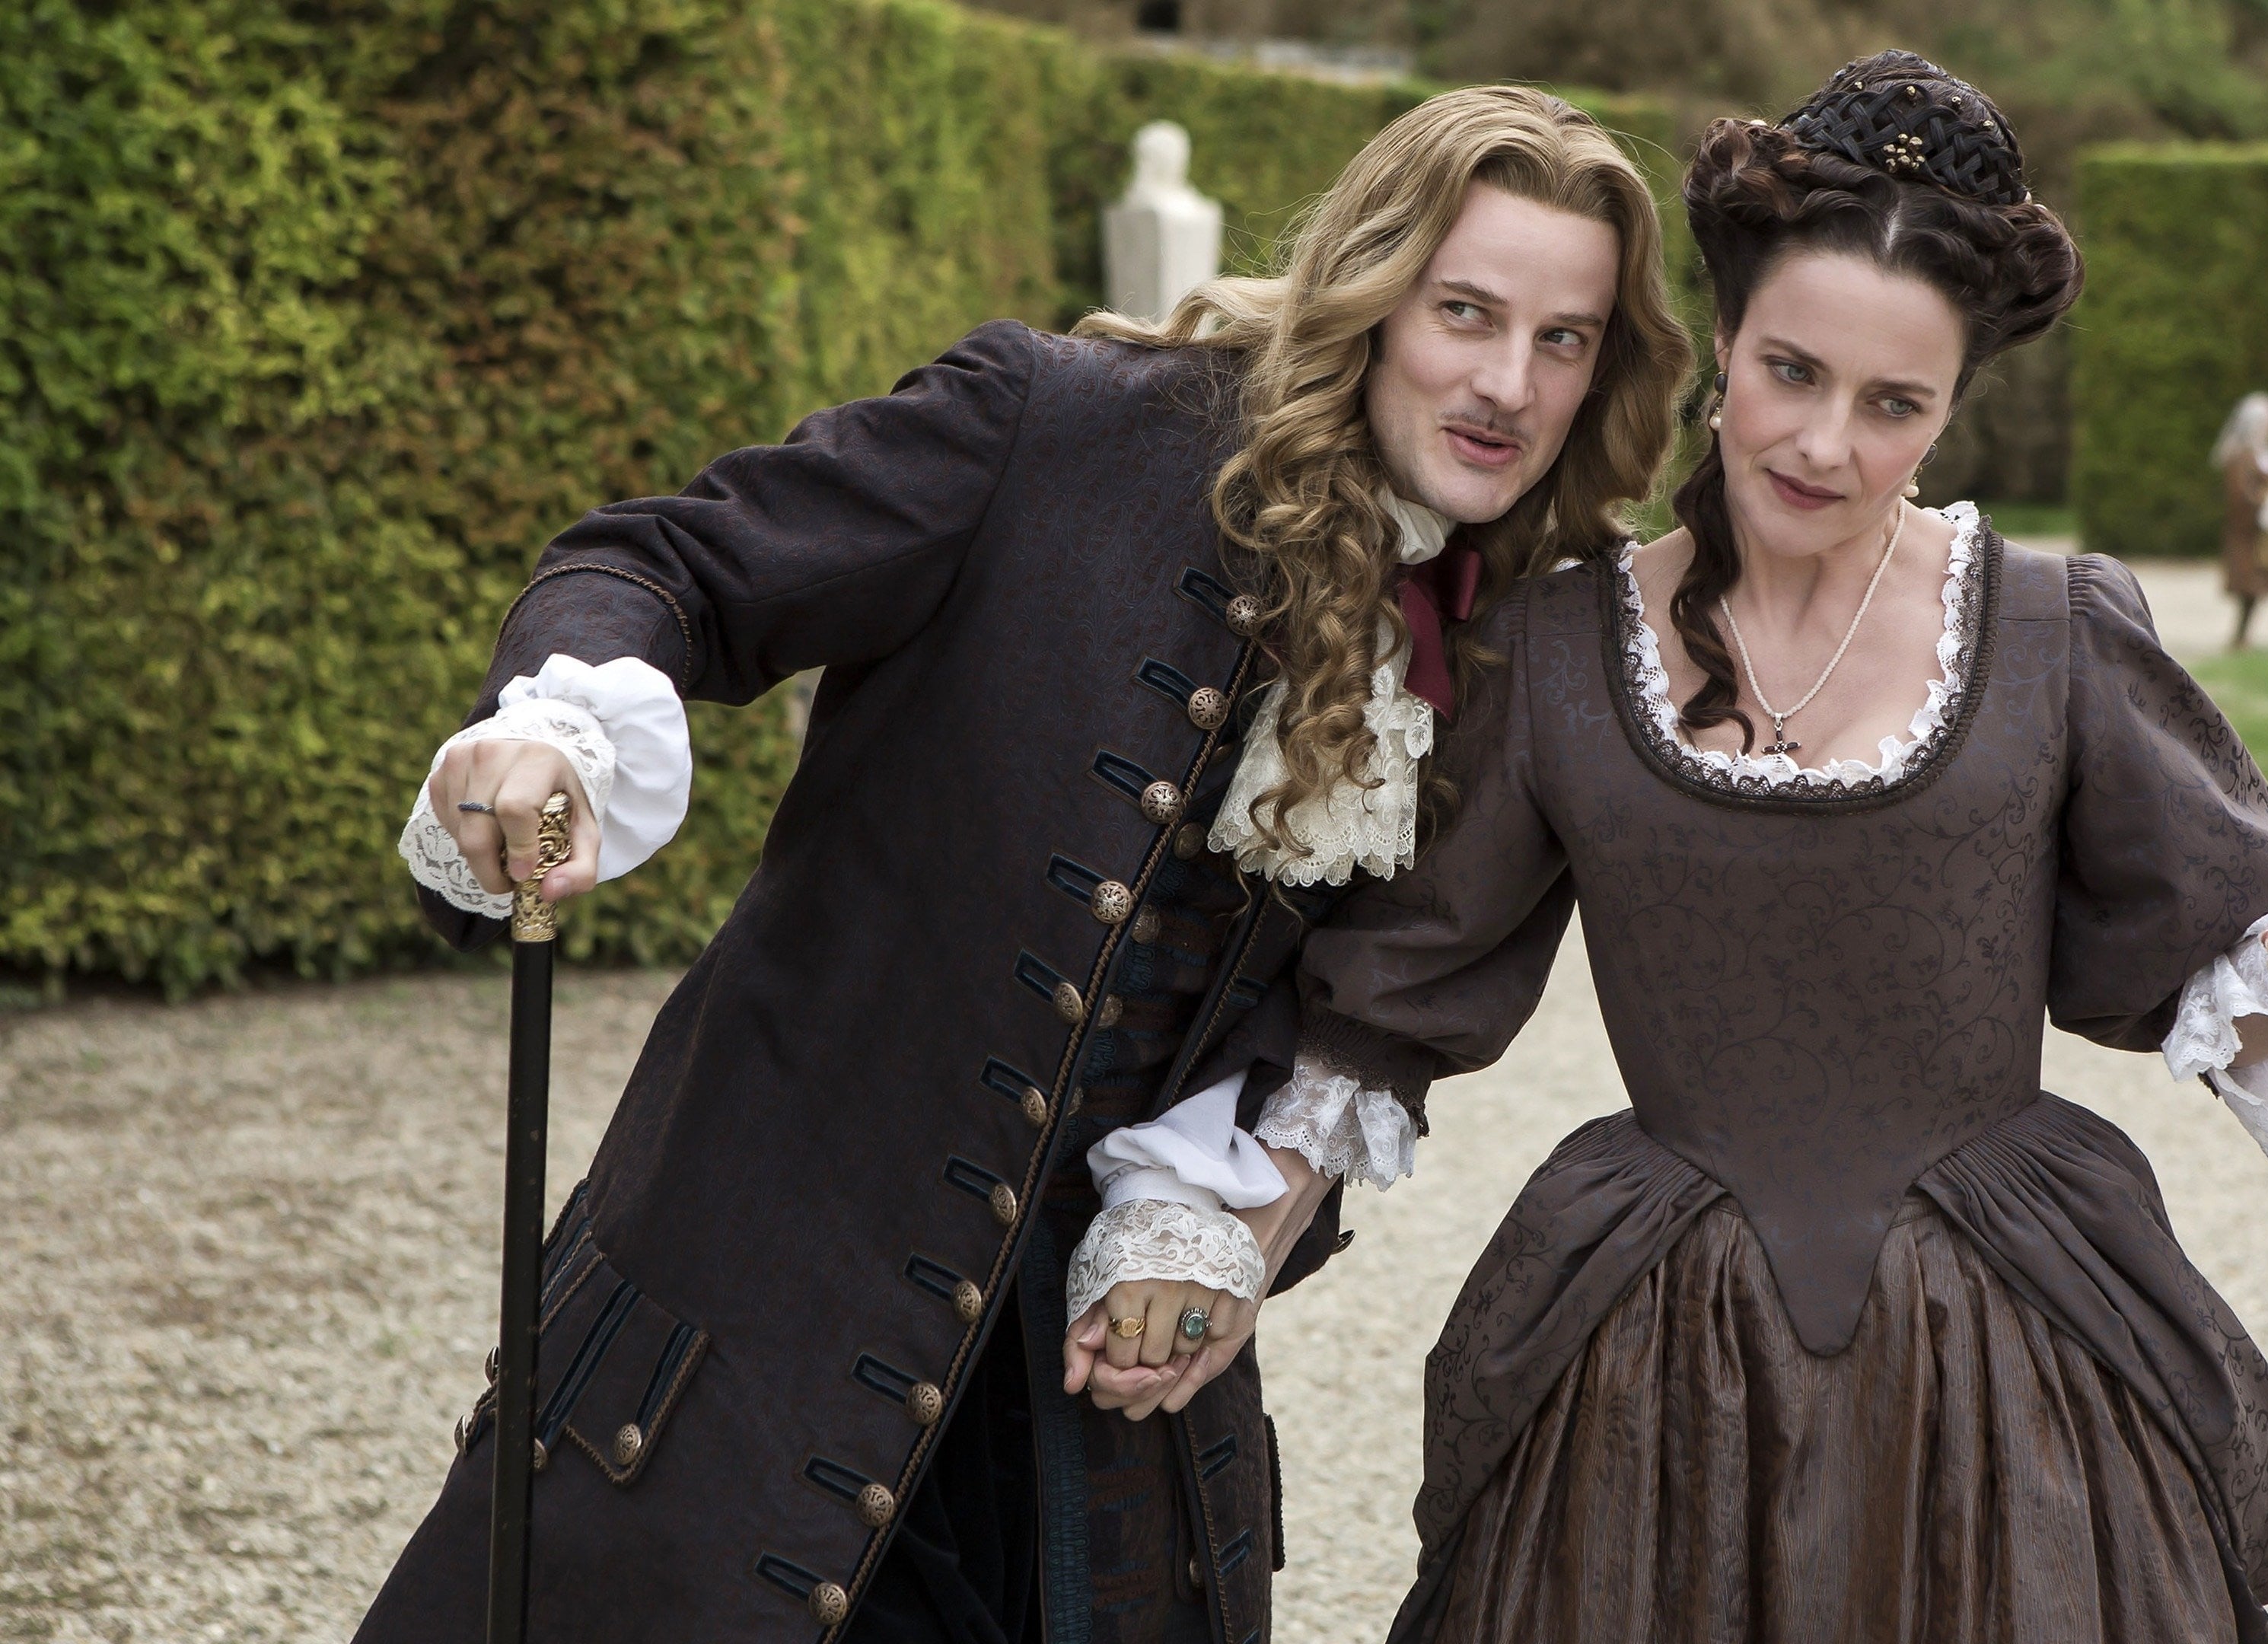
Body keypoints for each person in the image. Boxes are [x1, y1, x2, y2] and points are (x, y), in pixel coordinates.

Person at [358, 86, 1688, 1644]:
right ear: (1373, 288)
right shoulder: (1047, 425)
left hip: (1096, 1450)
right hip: (745, 1357)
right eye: (1467, 312)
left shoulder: (1518, 628)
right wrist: (559, 732)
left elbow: (1387, 1005)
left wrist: (1234, 1208)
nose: (1509, 385)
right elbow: (670, 565)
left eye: (1564, 339)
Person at [1222, 53, 2268, 1642]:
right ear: (1723, 345)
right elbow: (1386, 1013)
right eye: (1791, 372)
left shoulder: (2055, 628)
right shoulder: (1558, 648)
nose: (1826, 445)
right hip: (1653, 1353)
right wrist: (1207, 1255)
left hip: (2010, 1349)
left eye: (1894, 405)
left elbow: (2217, 1000)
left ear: (1951, 409)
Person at [2213, 390, 2268, 648]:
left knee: (2258, 582)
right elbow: (2242, 494)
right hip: (2248, 529)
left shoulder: (2264, 454)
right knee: (2248, 582)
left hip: (2265, 530)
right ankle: (2240, 636)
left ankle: (2243, 635)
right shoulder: (2241, 456)